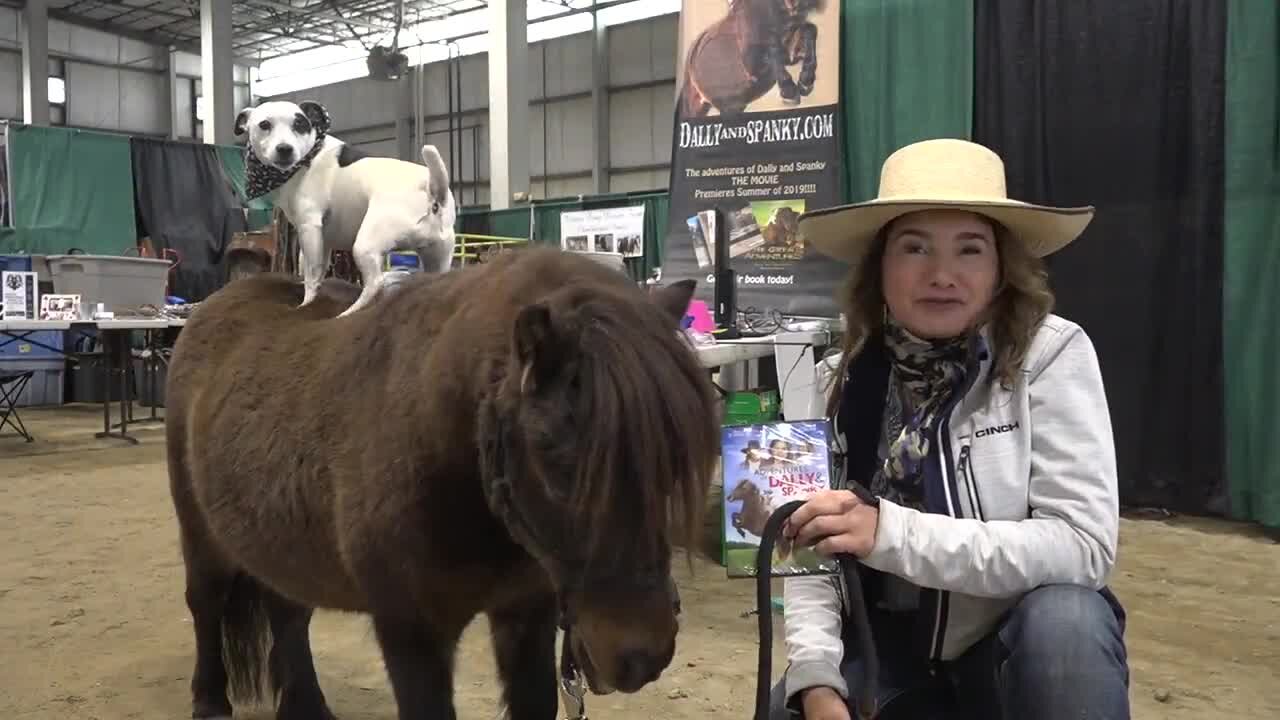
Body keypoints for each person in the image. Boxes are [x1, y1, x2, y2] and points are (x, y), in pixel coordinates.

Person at [769, 138, 1130, 720]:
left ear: (1000, 270)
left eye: (970, 250)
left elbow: (1081, 547)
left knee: (1067, 627)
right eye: (914, 248)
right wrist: (815, 680)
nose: (942, 274)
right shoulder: (835, 379)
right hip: (882, 647)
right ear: (880, 266)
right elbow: (812, 555)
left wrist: (889, 533)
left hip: (1006, 643)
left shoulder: (1052, 355)